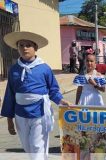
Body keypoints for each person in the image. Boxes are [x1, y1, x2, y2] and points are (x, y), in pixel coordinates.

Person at [0, 31, 71, 159]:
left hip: (40, 112)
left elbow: (53, 90)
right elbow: (9, 94)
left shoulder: (44, 68)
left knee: (37, 146)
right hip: (20, 114)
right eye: (21, 45)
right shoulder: (14, 69)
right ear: (17, 48)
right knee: (28, 147)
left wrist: (61, 101)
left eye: (28, 45)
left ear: (35, 48)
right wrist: (9, 120)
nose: (25, 48)